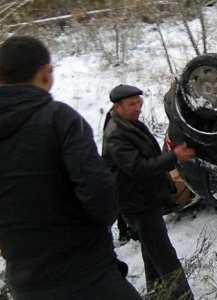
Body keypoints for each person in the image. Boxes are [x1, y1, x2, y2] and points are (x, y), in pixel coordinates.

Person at [0, 36, 141, 300]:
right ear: (46, 72)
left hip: (26, 284)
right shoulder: (58, 119)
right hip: (86, 275)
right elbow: (101, 198)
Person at [102, 84, 196, 300]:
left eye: (139, 103)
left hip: (142, 199)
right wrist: (173, 157)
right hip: (137, 203)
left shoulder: (127, 123)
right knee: (164, 255)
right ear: (117, 106)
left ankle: (156, 292)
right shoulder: (116, 134)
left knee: (151, 249)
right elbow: (138, 168)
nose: (138, 108)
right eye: (132, 104)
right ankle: (182, 297)